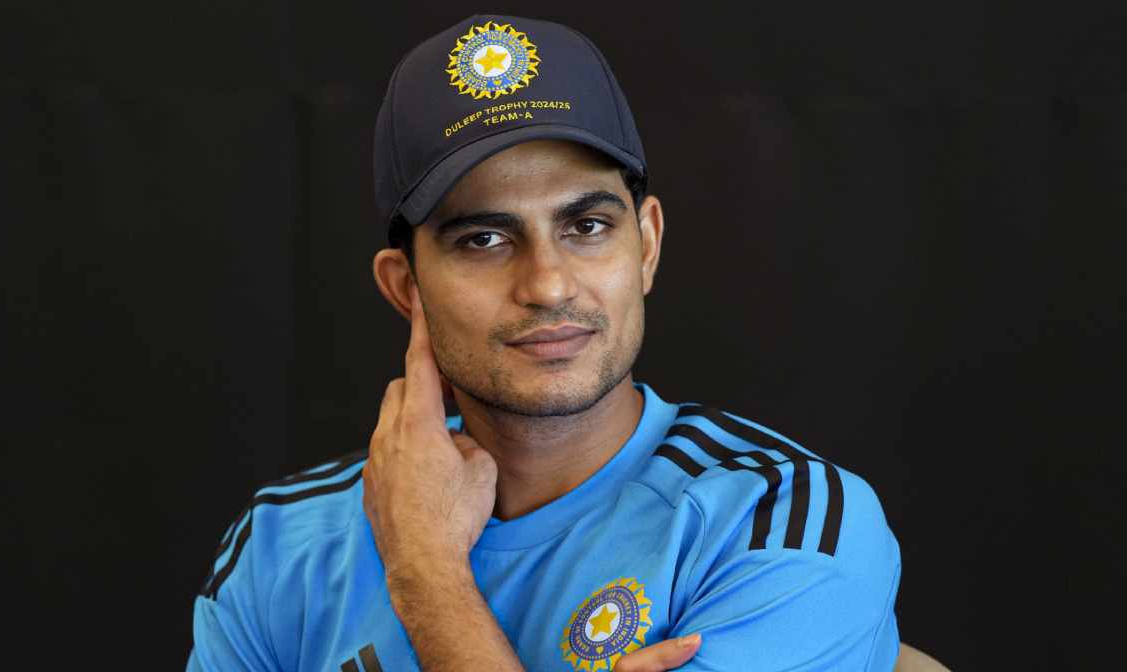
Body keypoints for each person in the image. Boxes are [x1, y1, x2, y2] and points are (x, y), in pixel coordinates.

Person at [187, 14, 902, 672]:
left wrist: (424, 572)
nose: (549, 284)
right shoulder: (284, 541)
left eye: (587, 226)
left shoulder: (778, 521)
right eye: (484, 238)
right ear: (405, 286)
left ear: (646, 244)